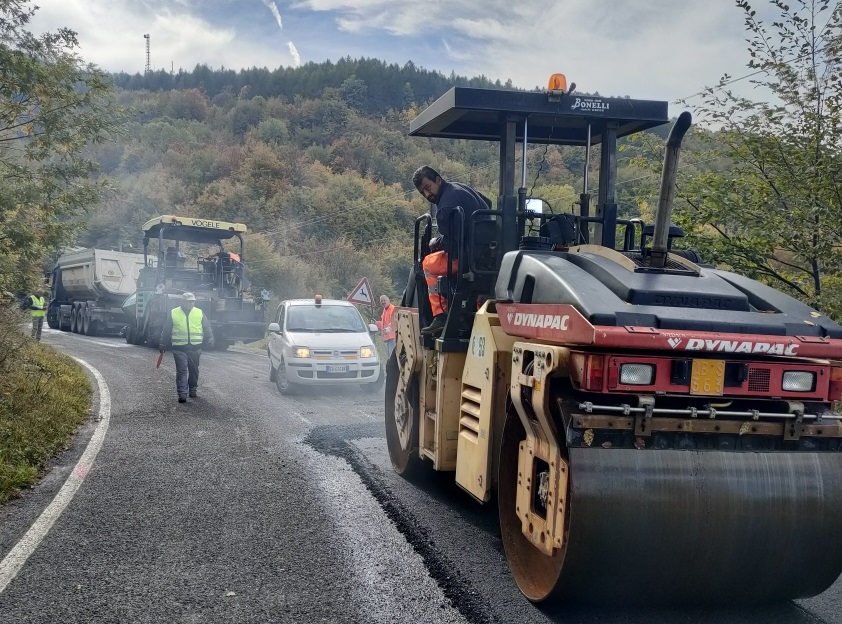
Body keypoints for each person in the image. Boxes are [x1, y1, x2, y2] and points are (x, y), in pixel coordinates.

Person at [412, 165, 492, 335]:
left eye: (428, 188)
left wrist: (437, 243)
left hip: (468, 257)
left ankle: (440, 315)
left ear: (438, 180)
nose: (427, 195)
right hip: (488, 253)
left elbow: (452, 243)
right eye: (422, 193)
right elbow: (489, 203)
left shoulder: (446, 207)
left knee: (427, 264)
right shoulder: (460, 188)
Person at [159, 292, 214, 403]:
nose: (191, 303)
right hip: (179, 348)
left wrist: (210, 338)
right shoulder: (174, 313)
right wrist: (162, 343)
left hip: (195, 348)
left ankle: (193, 389)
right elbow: (166, 329)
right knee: (182, 371)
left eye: (193, 301)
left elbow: (207, 327)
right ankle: (182, 393)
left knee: (194, 371)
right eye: (189, 301)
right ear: (183, 301)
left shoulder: (199, 312)